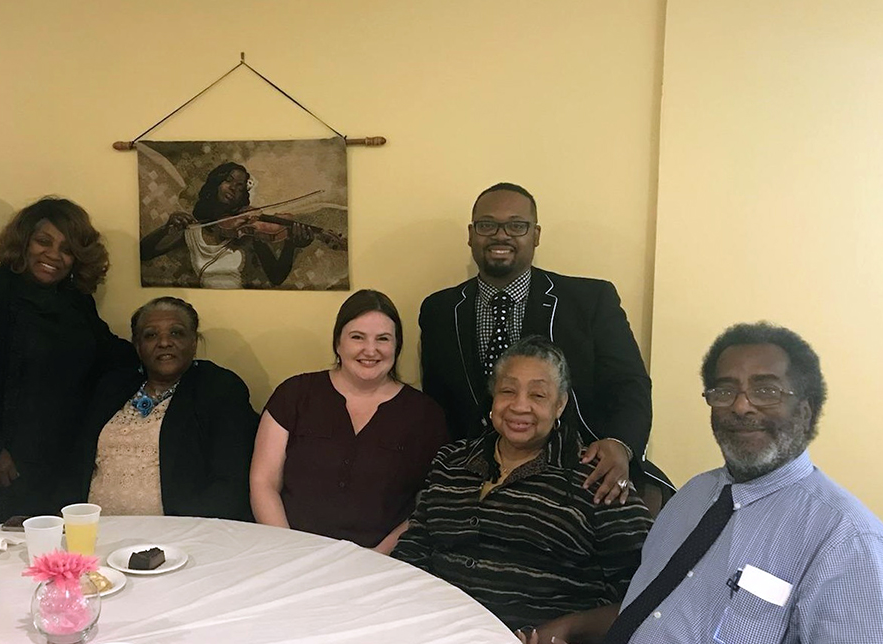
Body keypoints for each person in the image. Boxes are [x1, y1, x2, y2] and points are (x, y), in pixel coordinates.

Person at [596, 322, 883, 644]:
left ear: (805, 411)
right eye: (725, 390)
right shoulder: (691, 496)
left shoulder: (848, 540)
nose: (740, 405)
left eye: (765, 390)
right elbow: (651, 609)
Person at [419, 182, 670, 505]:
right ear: (471, 233)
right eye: (487, 225)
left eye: (516, 226)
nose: (501, 235)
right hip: (478, 480)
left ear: (535, 235)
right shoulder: (439, 309)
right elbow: (438, 402)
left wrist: (621, 444)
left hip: (576, 475)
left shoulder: (590, 300)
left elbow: (629, 383)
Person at [394, 336, 653, 637]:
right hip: (430, 630)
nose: (520, 406)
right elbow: (416, 547)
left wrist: (571, 631)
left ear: (560, 405)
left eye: (538, 395)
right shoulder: (451, 462)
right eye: (508, 391)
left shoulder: (595, 478)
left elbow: (648, 588)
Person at [0, 196, 136, 524]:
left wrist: (163, 355)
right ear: (23, 241)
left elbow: (109, 357)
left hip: (57, 466)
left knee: (53, 563)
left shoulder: (76, 303)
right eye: (43, 241)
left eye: (67, 249)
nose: (54, 255)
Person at [250, 289, 449, 553]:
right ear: (338, 343)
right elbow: (264, 482)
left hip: (382, 562)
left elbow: (428, 502)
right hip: (288, 554)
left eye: (383, 339)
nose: (370, 350)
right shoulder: (294, 394)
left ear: (396, 346)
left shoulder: (425, 414)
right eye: (357, 337)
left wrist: (375, 559)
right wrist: (289, 552)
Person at [77, 297, 258, 520]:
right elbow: (79, 460)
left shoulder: (219, 389)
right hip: (94, 529)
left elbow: (230, 482)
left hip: (177, 536)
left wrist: (183, 533)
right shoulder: (112, 386)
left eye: (176, 333)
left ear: (193, 342)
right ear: (138, 346)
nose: (164, 342)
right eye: (151, 335)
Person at [139, 162, 316, 288]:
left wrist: (290, 245)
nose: (233, 188)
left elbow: (277, 277)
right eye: (228, 181)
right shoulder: (193, 231)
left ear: (243, 198)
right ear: (215, 184)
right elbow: (144, 253)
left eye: (240, 187)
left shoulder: (247, 231)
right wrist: (166, 228)